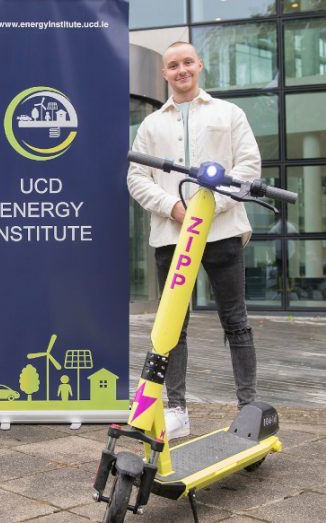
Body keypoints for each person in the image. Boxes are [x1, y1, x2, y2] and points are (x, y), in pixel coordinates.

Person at [127, 41, 261, 439]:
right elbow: (136, 177)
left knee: (235, 321)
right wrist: (174, 208)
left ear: (199, 65)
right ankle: (178, 410)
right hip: (172, 236)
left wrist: (207, 209)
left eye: (187, 62)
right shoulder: (151, 126)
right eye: (173, 65)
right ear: (164, 74)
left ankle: (247, 407)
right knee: (172, 327)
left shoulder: (228, 113)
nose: (181, 70)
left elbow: (248, 167)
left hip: (221, 233)